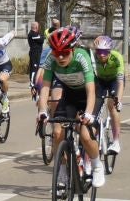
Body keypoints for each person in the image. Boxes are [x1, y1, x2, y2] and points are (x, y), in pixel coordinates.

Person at [35, 28, 105, 186]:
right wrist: (42, 111)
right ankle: (62, 170)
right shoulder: (51, 59)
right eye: (56, 52)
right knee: (58, 132)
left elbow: (91, 90)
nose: (60, 57)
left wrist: (88, 113)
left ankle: (96, 165)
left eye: (65, 53)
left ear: (73, 49)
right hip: (71, 95)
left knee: (86, 135)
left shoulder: (82, 56)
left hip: (90, 94)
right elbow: (45, 87)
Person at [91, 33, 125, 155]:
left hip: (114, 81)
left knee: (112, 105)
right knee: (94, 107)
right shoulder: (92, 57)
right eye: (99, 52)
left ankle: (116, 141)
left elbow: (120, 83)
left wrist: (119, 100)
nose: (101, 55)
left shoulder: (117, 58)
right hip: (100, 80)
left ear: (109, 51)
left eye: (105, 52)